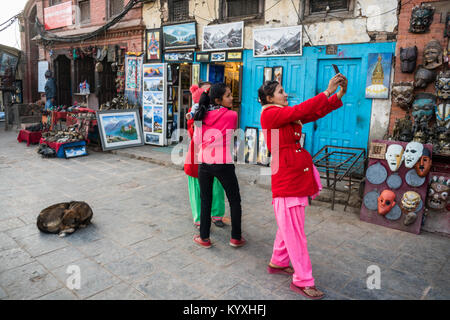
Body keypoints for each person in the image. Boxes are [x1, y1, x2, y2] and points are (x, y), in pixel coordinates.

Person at [259, 73, 348, 299]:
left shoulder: (281, 114)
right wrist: (326, 91)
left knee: (288, 226)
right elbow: (301, 111)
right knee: (296, 233)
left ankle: (278, 262)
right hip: (288, 179)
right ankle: (303, 280)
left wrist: (338, 95)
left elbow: (312, 112)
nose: (286, 93)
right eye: (281, 92)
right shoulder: (271, 115)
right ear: (270, 98)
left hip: (294, 177)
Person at [193, 83, 245, 248]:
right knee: (234, 200)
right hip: (224, 163)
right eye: (228, 95)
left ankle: (204, 238)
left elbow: (196, 141)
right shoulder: (232, 115)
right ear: (218, 99)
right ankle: (236, 238)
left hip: (205, 162)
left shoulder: (201, 116)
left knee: (205, 200)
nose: (232, 98)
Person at [184, 82, 226, 229]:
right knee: (196, 187)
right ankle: (199, 217)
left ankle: (217, 214)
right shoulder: (194, 111)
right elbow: (191, 133)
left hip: (216, 155)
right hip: (197, 155)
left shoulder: (221, 111)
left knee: (217, 185)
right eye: (206, 91)